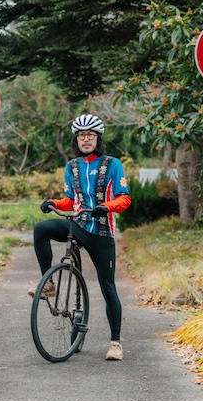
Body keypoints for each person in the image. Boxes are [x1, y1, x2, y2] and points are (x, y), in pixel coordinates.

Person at [34, 114, 132, 361]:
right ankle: (48, 284)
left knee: (107, 287)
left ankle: (115, 343)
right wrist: (53, 202)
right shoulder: (72, 167)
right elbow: (70, 200)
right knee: (41, 229)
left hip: (101, 230)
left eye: (90, 135)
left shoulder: (113, 164)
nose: (85, 139)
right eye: (81, 136)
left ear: (98, 138)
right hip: (78, 224)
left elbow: (124, 198)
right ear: (75, 140)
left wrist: (107, 207)